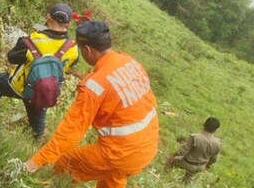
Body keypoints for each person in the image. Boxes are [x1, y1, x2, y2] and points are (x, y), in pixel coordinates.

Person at [24, 20, 159, 188]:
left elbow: (71, 130)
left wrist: (36, 161)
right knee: (112, 178)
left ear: (87, 50)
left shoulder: (95, 86)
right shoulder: (132, 63)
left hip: (120, 154)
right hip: (148, 148)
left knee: (65, 165)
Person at [0, 3, 79, 140]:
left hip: (19, 87)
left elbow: (12, 58)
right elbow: (72, 62)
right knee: (37, 127)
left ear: (47, 16)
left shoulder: (31, 40)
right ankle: (37, 138)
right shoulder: (72, 48)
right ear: (68, 24)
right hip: (43, 93)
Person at [165, 117, 222, 184]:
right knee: (189, 176)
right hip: (200, 166)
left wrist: (173, 156)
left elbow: (182, 151)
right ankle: (185, 184)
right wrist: (207, 164)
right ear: (215, 130)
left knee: (170, 161)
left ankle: (164, 177)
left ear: (204, 124)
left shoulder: (195, 137)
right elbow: (214, 159)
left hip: (187, 163)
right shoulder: (218, 143)